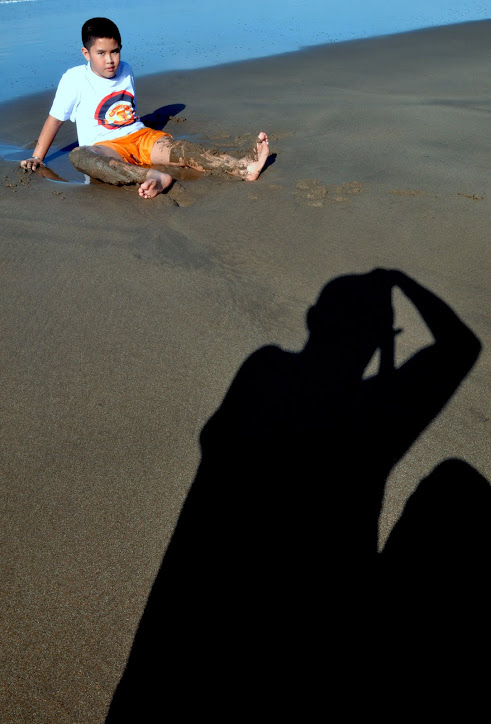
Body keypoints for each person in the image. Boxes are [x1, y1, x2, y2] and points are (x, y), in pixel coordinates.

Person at [20, 17, 270, 199]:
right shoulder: (74, 80)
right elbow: (55, 119)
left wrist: (146, 138)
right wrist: (37, 157)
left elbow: (129, 113)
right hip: (107, 148)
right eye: (101, 53)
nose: (110, 60)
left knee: (185, 150)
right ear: (86, 53)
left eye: (115, 51)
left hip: (140, 137)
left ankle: (243, 167)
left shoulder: (126, 69)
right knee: (80, 156)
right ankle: (153, 177)